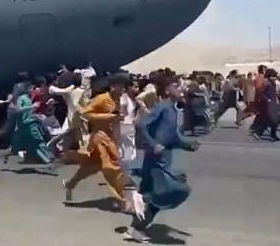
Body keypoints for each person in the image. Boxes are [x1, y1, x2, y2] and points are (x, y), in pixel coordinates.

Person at [122, 77, 200, 242]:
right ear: (166, 91)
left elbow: (172, 137)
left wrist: (187, 144)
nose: (180, 88)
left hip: (164, 160)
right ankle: (138, 208)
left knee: (157, 197)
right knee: (173, 192)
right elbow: (141, 124)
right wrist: (154, 144)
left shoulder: (173, 110)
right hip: (155, 161)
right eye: (175, 86)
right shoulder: (162, 107)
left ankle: (136, 226)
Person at [63, 73, 129, 212]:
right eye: (120, 87)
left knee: (91, 167)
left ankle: (70, 184)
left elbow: (116, 119)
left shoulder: (117, 100)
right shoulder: (102, 99)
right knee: (112, 168)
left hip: (111, 138)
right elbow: (85, 113)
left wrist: (118, 119)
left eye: (124, 87)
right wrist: (108, 117)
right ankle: (123, 200)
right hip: (100, 138)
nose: (123, 90)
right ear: (112, 87)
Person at [8, 81, 55, 165]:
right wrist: (32, 106)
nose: (32, 90)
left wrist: (35, 114)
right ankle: (48, 157)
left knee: (33, 142)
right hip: (27, 123)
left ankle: (43, 158)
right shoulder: (22, 98)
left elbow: (28, 111)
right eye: (31, 88)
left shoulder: (27, 98)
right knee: (38, 140)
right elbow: (19, 109)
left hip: (28, 122)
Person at [253, 69, 280, 141]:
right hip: (268, 104)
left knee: (271, 119)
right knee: (272, 119)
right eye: (273, 76)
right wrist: (267, 99)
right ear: (269, 76)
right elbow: (261, 93)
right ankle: (270, 134)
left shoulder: (273, 83)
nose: (275, 77)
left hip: (273, 103)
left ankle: (261, 133)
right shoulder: (267, 83)